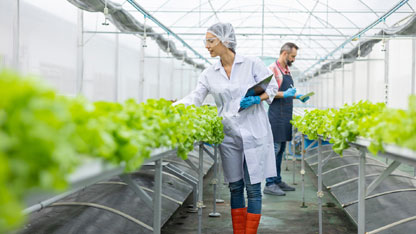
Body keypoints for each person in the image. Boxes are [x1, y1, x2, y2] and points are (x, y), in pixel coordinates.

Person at [174, 22, 278, 234]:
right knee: (235, 187)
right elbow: (196, 97)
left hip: (254, 132)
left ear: (225, 41)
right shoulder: (209, 73)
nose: (207, 46)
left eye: (211, 41)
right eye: (206, 42)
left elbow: (273, 87)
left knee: (253, 188)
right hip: (229, 134)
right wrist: (172, 108)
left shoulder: (251, 64)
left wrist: (257, 99)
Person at [263, 42, 310, 196]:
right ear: (284, 53)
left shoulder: (287, 71)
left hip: (286, 115)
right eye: (292, 56)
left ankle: (277, 180)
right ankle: (269, 183)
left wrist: (297, 96)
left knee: (281, 149)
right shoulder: (272, 70)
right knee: (274, 150)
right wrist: (286, 94)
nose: (294, 59)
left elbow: (286, 91)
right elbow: (266, 93)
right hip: (276, 115)